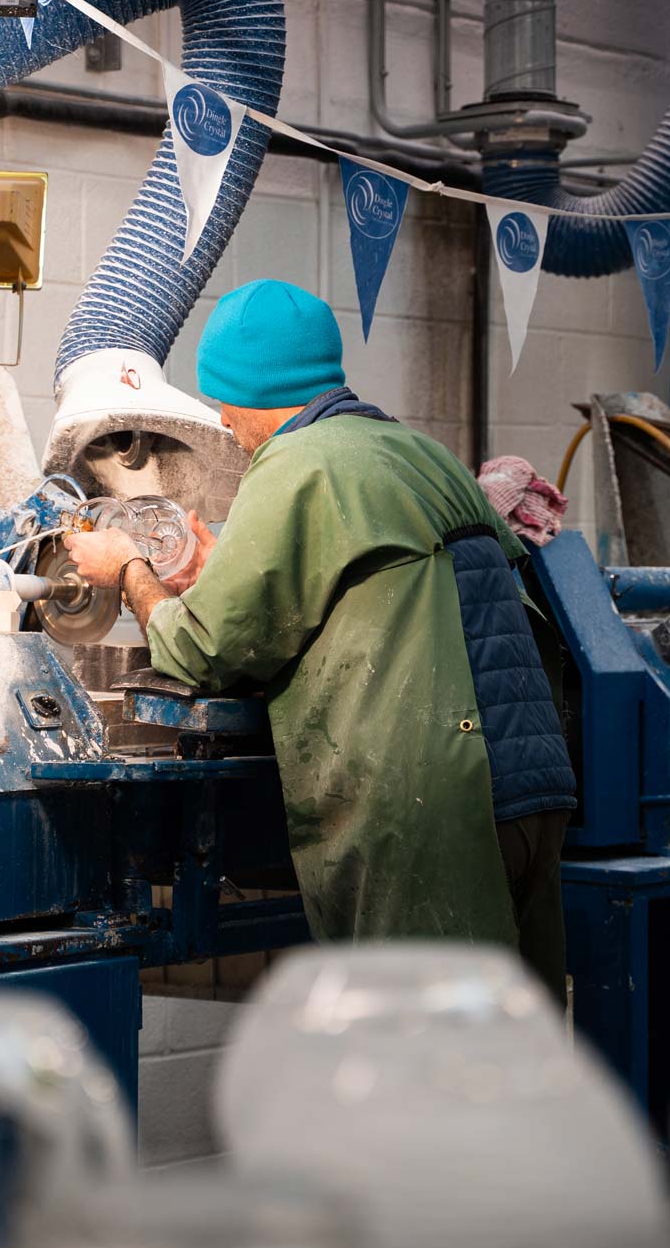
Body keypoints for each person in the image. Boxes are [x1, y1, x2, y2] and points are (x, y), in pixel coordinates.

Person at [64, 279, 577, 994]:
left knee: (420, 1054)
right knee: (515, 1048)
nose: (220, 419)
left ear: (240, 394)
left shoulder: (300, 463)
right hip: (528, 791)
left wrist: (127, 569)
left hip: (430, 804)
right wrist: (226, 575)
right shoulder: (413, 452)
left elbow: (202, 651)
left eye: (221, 402)